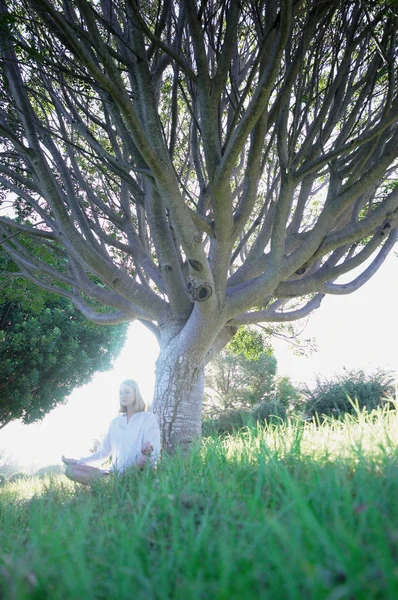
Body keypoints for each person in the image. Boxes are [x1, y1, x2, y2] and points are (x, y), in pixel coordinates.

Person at [62, 380, 161, 485]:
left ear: (136, 394)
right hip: (115, 472)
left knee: (143, 459)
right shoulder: (115, 423)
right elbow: (103, 453)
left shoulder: (148, 418)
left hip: (138, 470)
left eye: (127, 392)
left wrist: (147, 450)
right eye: (121, 392)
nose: (123, 395)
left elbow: (151, 454)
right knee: (70, 470)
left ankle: (119, 482)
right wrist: (79, 462)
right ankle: (110, 483)